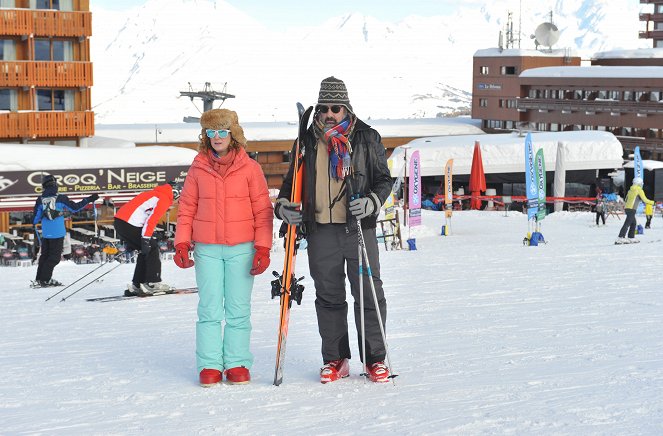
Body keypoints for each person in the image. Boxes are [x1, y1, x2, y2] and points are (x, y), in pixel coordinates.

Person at [274, 76, 393, 383]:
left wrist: (372, 201)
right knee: (329, 296)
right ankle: (335, 359)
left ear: (346, 109)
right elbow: (290, 184)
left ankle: (374, 359)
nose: (329, 113)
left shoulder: (367, 137)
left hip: (357, 229)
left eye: (335, 108)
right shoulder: (306, 142)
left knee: (368, 293)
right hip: (320, 230)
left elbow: (383, 179)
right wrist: (284, 206)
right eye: (324, 108)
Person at [173, 108, 273, 387]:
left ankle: (237, 361)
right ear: (205, 136)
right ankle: (209, 364)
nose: (216, 137)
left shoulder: (251, 169)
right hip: (207, 248)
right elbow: (186, 209)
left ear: (233, 134)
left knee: (239, 309)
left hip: (242, 248)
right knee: (209, 309)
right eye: (211, 132)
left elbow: (263, 210)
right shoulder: (197, 168)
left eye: (222, 131)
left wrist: (263, 248)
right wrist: (182, 242)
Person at [32, 175, 98, 287]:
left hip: (46, 233)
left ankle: (39, 279)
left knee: (45, 256)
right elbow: (75, 208)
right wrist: (89, 199)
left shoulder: (40, 200)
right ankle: (45, 280)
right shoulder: (61, 198)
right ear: (55, 185)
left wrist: (45, 215)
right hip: (57, 233)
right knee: (54, 258)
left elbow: (35, 219)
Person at [114, 182, 179, 296]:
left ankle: (138, 284)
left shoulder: (153, 194)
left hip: (121, 222)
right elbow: (151, 220)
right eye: (178, 198)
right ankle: (153, 282)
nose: (175, 202)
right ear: (174, 193)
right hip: (130, 223)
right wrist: (145, 239)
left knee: (145, 251)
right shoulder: (163, 198)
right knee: (152, 248)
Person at [615, 177, 655, 244]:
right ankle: (620, 237)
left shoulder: (630, 190)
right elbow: (644, 199)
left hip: (627, 208)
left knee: (633, 223)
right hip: (632, 209)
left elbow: (626, 199)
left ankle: (631, 237)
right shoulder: (639, 190)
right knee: (627, 223)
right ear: (639, 184)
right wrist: (653, 202)